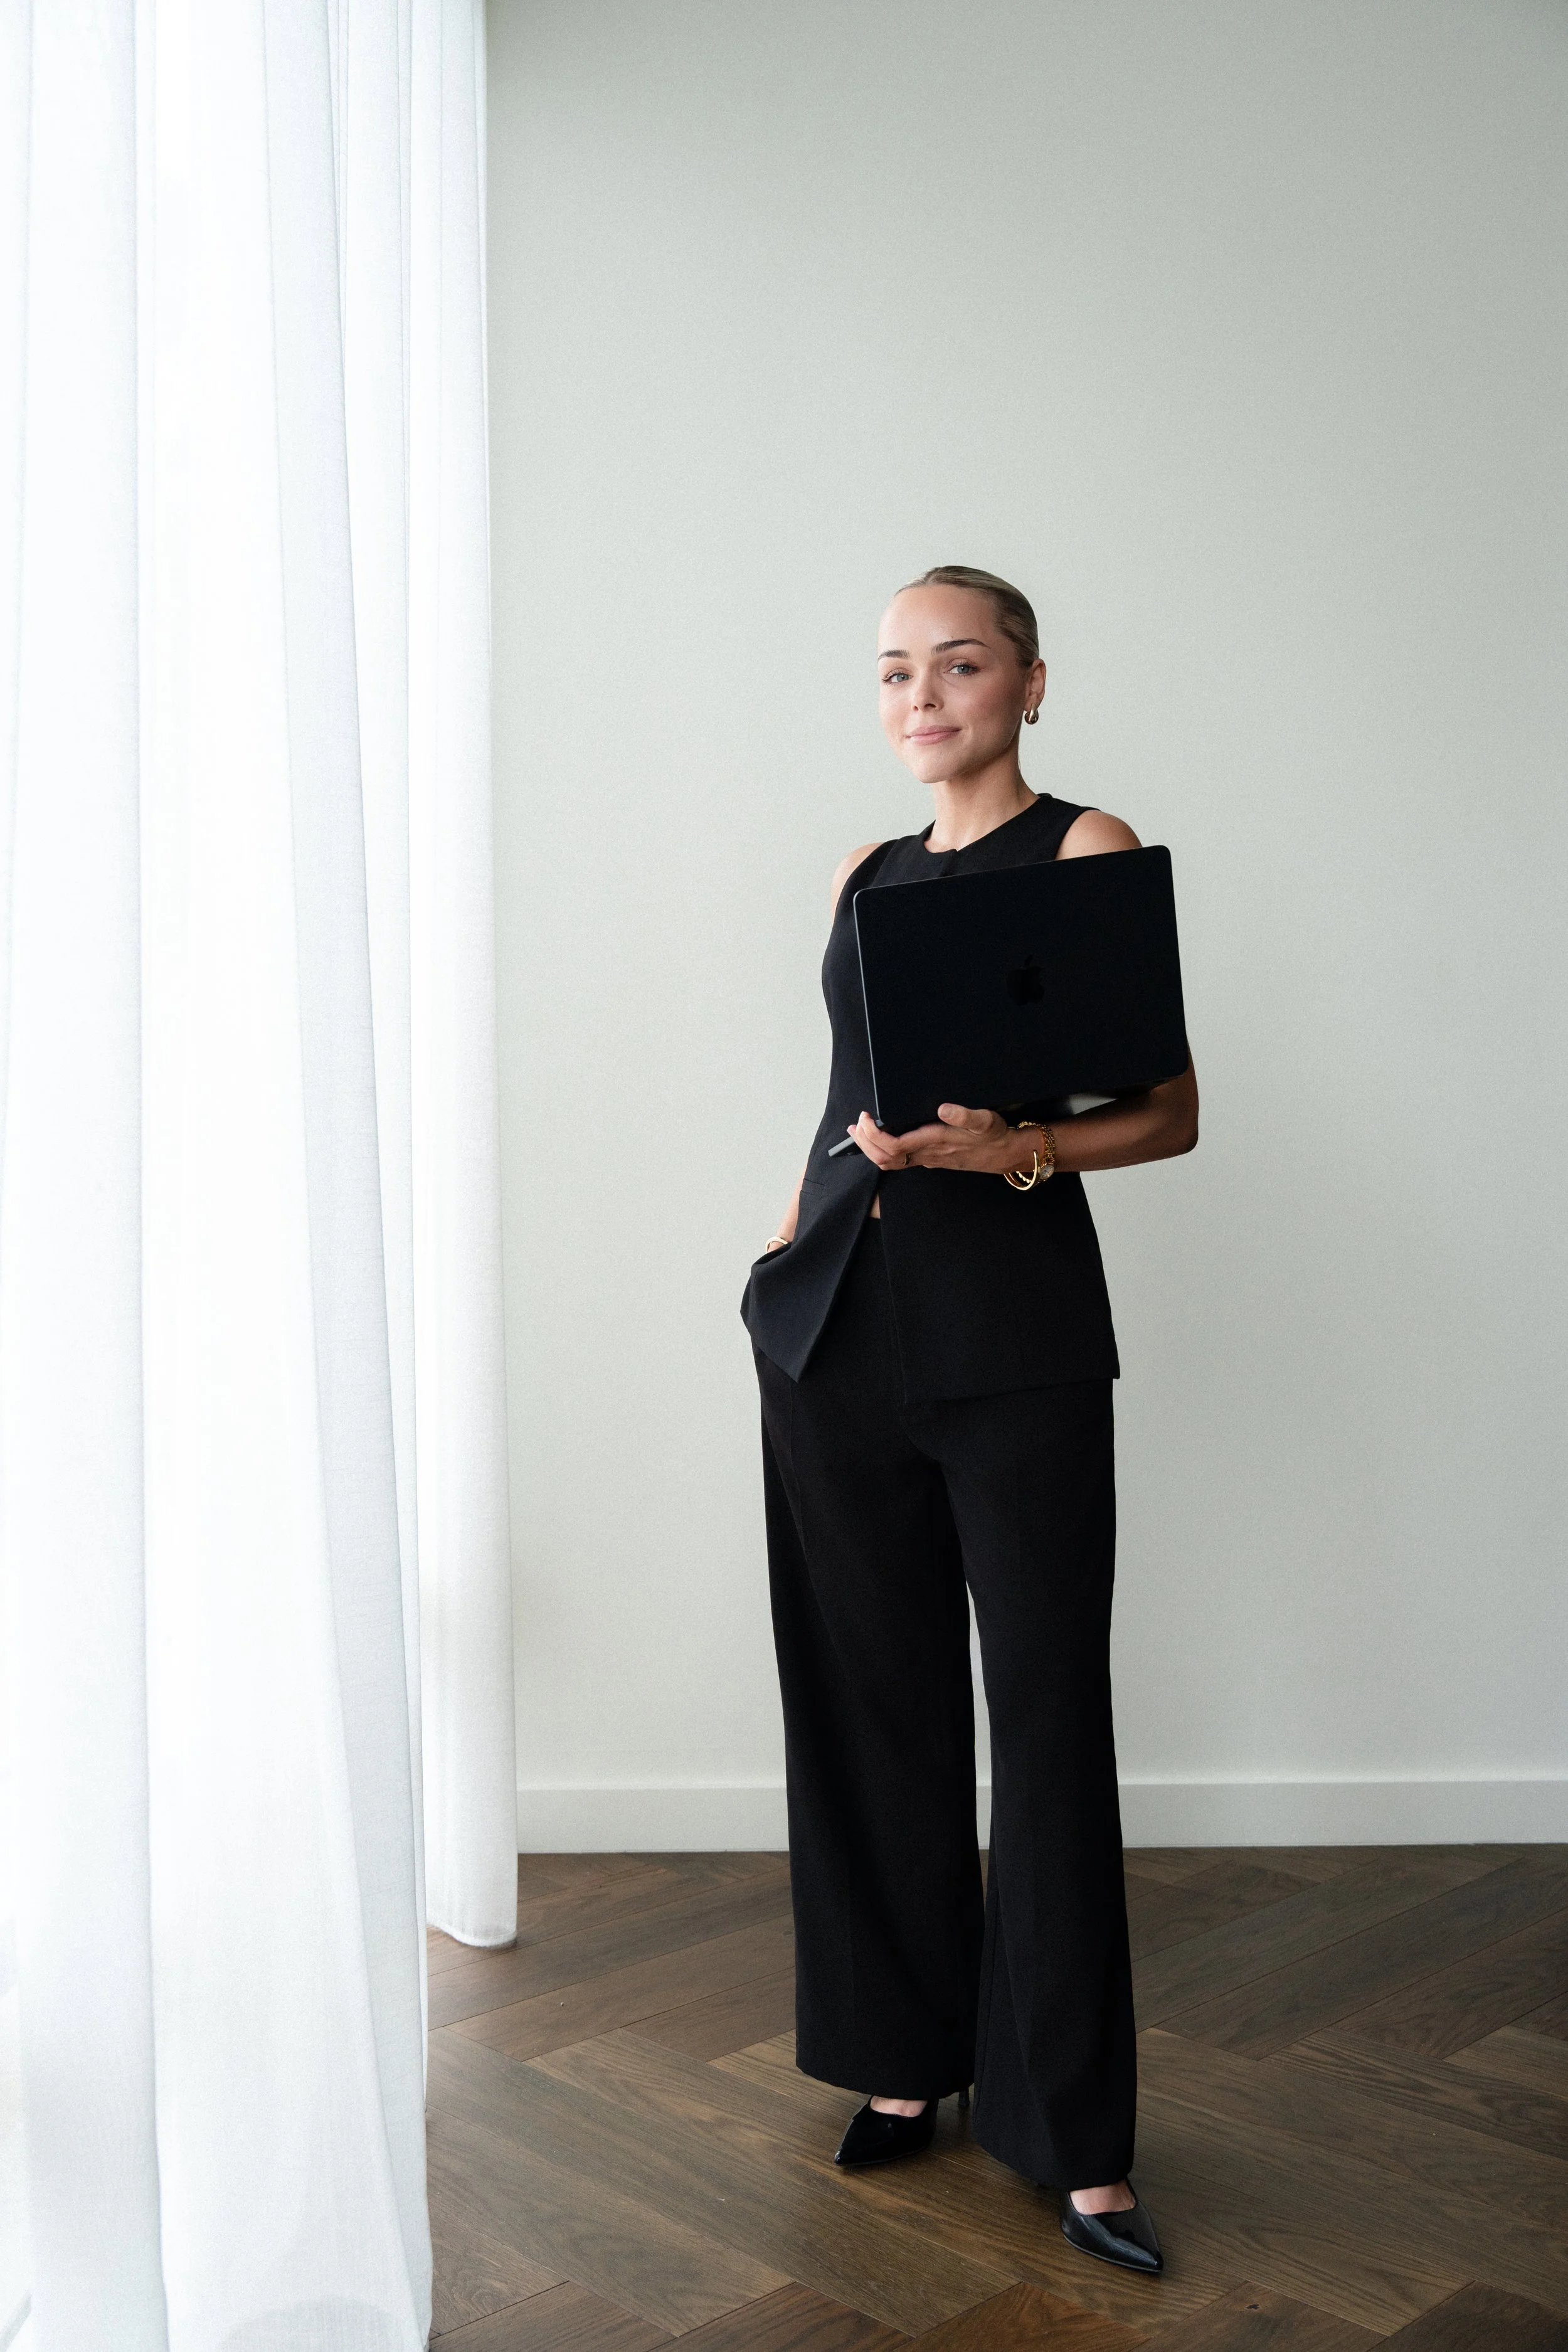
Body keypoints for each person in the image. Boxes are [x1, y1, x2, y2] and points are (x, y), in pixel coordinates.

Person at [739, 565, 1199, 2277]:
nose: (921, 694)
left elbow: (1165, 1112)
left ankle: (1077, 2142)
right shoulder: (865, 870)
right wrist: (782, 1258)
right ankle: (902, 2063)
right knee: (874, 1714)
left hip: (1009, 1345)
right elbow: (834, 1097)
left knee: (1047, 1721)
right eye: (892, 670)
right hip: (836, 1331)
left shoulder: (1084, 845)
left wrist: (1009, 1149)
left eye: (958, 662)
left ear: (1025, 682)